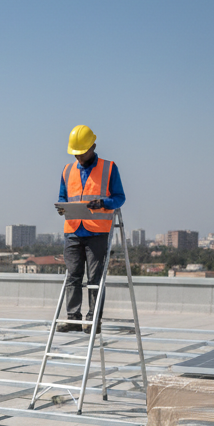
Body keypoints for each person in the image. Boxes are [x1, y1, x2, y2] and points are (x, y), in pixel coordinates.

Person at [54, 124, 126, 333]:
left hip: (97, 232)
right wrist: (62, 206)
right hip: (73, 231)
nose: (78, 156)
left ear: (93, 146)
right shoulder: (67, 170)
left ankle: (93, 320)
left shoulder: (109, 168)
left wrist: (103, 203)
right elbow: (63, 196)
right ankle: (73, 318)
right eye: (75, 153)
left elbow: (119, 198)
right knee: (72, 276)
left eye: (82, 152)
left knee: (94, 279)